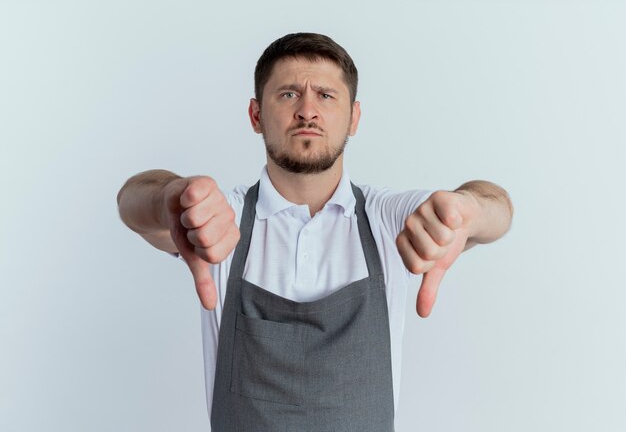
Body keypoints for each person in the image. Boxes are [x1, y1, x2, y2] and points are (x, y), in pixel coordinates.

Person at [117, 32, 513, 431]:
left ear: (354, 117)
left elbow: (499, 211)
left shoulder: (387, 220)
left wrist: (469, 210)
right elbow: (132, 203)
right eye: (289, 94)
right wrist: (168, 196)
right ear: (256, 116)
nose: (308, 111)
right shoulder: (221, 222)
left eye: (325, 95)